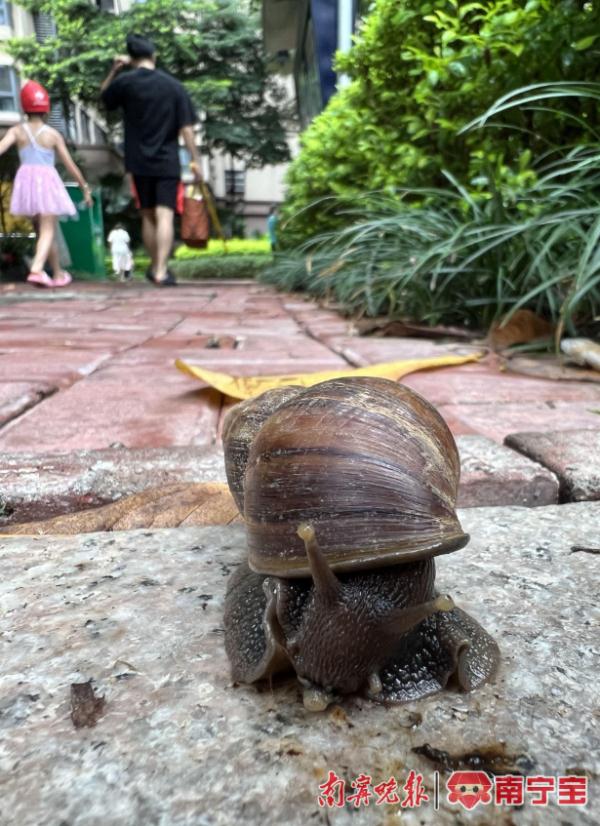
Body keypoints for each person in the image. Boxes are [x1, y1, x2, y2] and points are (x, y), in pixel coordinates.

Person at [100, 33, 203, 287]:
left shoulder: (125, 83)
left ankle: (154, 267)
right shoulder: (173, 86)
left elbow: (104, 97)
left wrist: (114, 71)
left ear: (132, 58)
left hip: (138, 161)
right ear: (154, 56)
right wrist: (195, 160)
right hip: (167, 160)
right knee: (165, 215)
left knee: (147, 215)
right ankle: (161, 271)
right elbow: (187, 128)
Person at [0, 80, 92, 288]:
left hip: (26, 183)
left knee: (42, 232)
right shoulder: (52, 134)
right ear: (46, 107)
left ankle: (58, 274)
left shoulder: (17, 131)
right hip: (47, 183)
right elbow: (70, 166)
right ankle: (37, 269)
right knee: (48, 229)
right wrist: (84, 188)